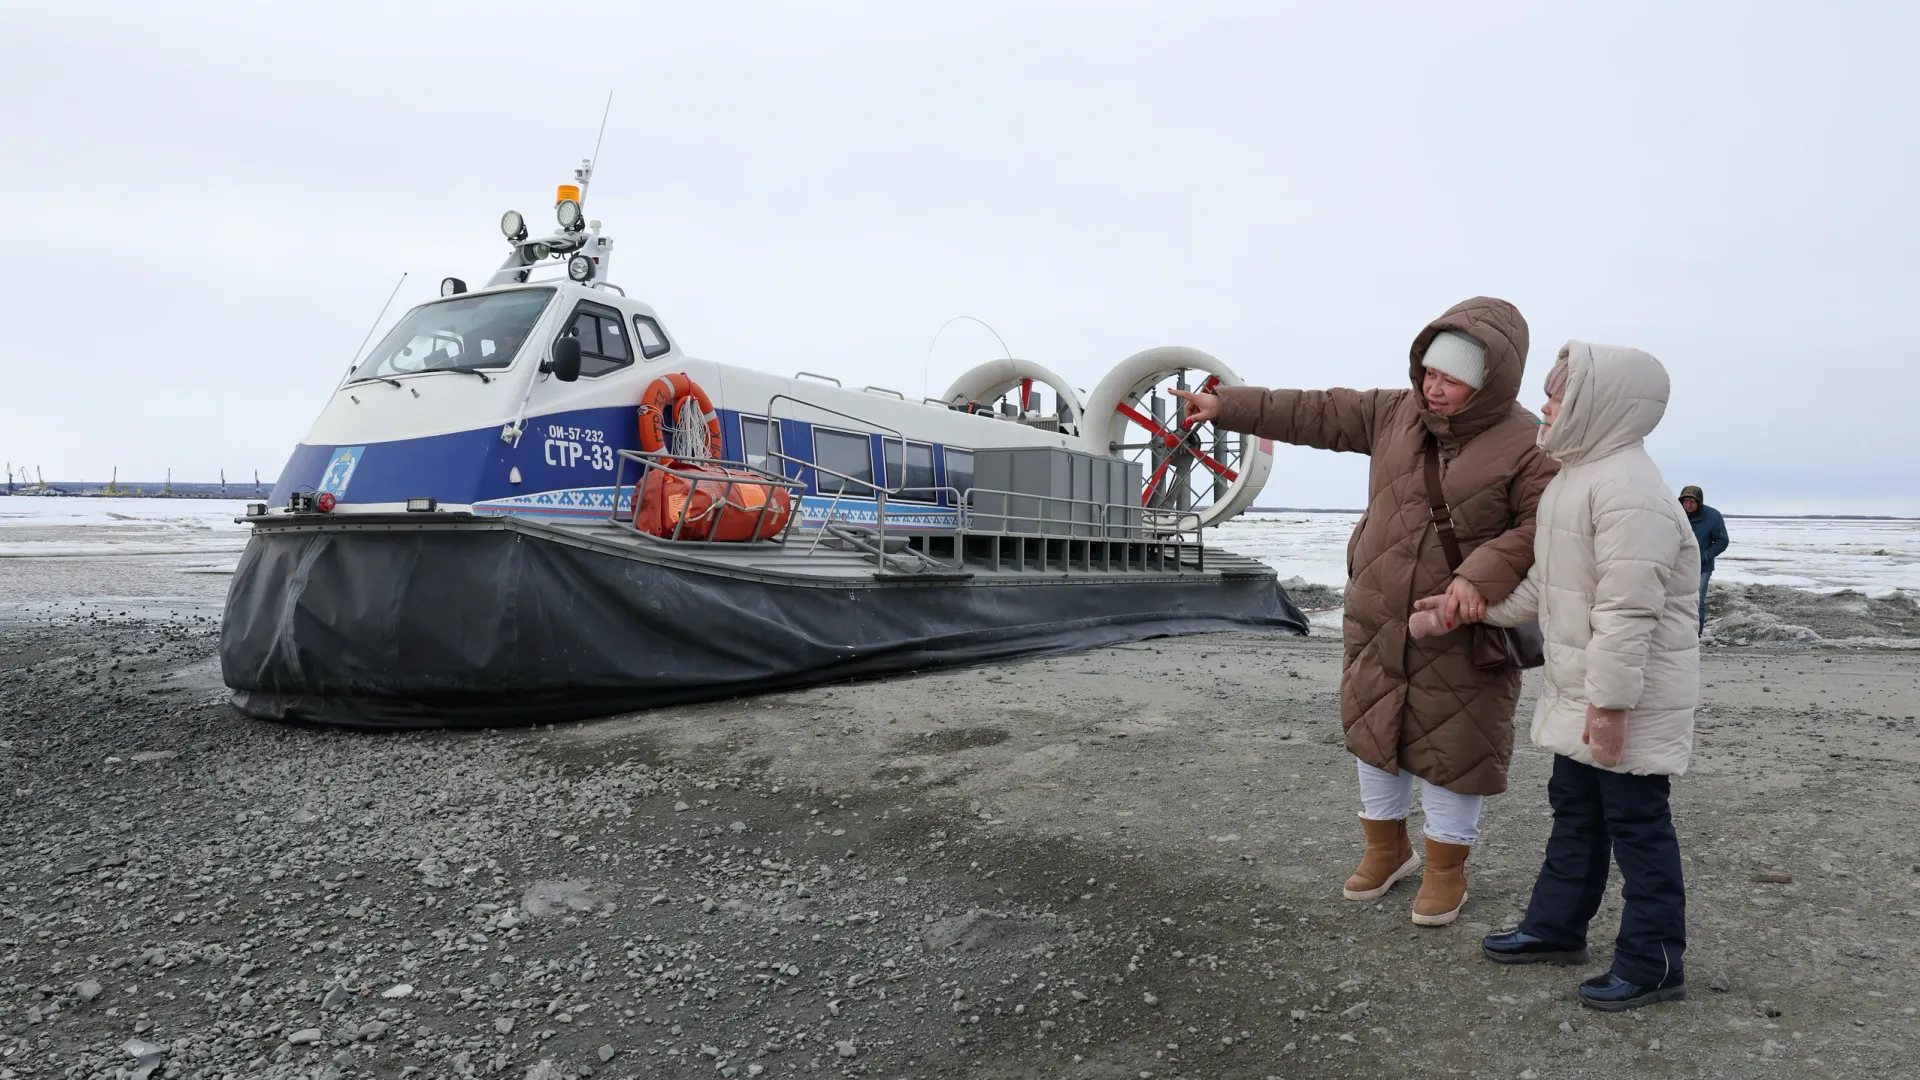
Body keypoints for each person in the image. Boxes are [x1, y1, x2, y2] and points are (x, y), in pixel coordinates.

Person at [1172, 297, 1558, 926]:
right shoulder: (1392, 412)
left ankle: (1445, 870)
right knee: (1374, 732)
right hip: (1379, 612)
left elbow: (1541, 525)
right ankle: (1387, 850)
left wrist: (1477, 578)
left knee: (1454, 746)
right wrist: (1228, 406)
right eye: (1430, 371)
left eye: (1452, 379)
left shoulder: (1527, 443)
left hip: (1458, 622)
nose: (1434, 388)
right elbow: (1314, 411)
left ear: (1492, 381)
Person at [1413, 341, 1700, 1012]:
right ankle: (1556, 927)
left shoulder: (1631, 492)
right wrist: (1472, 609)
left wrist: (1609, 706)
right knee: (1575, 814)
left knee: (1637, 826)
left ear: (1600, 406)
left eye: (1559, 394)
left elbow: (1627, 612)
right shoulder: (1575, 479)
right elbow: (1549, 586)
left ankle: (1655, 962)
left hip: (1626, 698)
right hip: (1584, 692)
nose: (1545, 405)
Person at [1679, 486, 1729, 632]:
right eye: (1685, 501)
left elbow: (1722, 541)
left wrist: (1704, 556)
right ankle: (1678, 634)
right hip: (1678, 565)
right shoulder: (1676, 514)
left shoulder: (1713, 516)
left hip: (1702, 567)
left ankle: (1696, 634)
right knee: (1676, 600)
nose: (1688, 505)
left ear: (1699, 502)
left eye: (1692, 502)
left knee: (1697, 600)